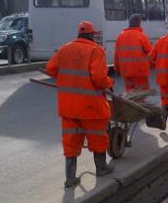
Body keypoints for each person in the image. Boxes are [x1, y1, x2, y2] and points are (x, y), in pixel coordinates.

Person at [45, 20, 114, 188]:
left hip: (69, 107)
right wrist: (109, 82)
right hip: (90, 107)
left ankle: (70, 178)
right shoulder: (95, 51)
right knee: (98, 137)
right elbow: (99, 78)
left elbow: (51, 69)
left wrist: (68, 79)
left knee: (70, 141)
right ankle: (101, 168)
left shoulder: (64, 49)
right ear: (91, 35)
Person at [114, 14, 152, 92]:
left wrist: (117, 69)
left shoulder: (120, 36)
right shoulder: (141, 36)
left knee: (130, 93)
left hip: (125, 71)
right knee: (141, 93)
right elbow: (150, 52)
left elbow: (116, 55)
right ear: (139, 23)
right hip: (139, 71)